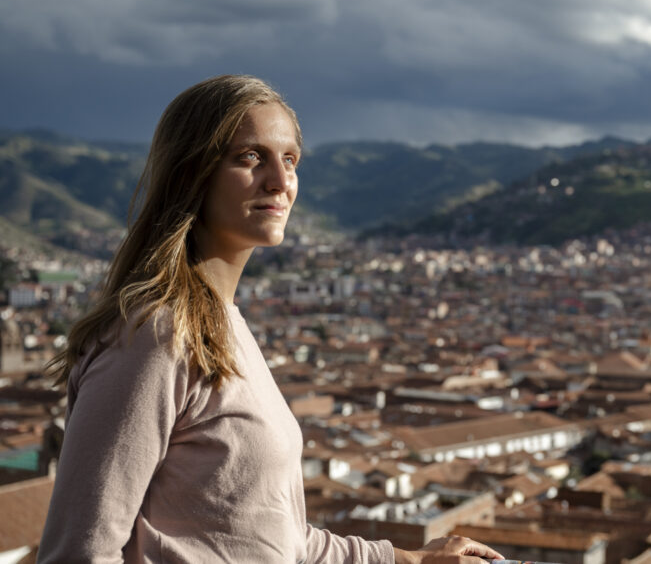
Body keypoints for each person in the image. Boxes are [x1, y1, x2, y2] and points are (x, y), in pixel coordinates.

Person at [38, 76, 503, 564]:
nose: (280, 182)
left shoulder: (221, 324)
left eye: (290, 160)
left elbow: (269, 537)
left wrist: (408, 559)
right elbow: (77, 552)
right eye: (250, 157)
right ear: (191, 172)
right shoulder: (154, 335)